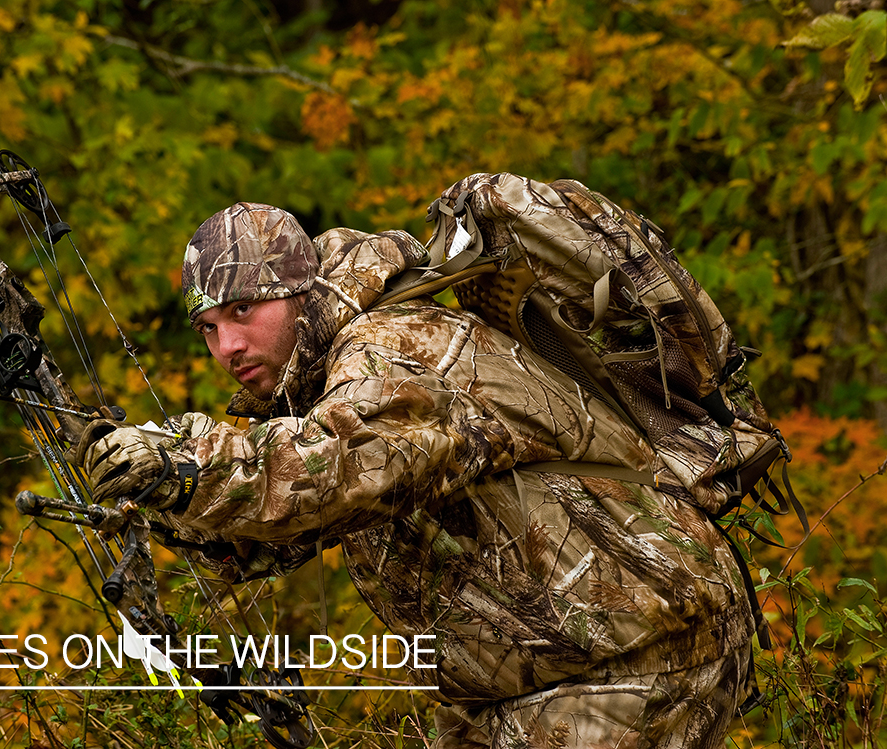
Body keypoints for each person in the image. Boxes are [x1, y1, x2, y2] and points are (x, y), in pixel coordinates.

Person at [76, 201, 756, 748]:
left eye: (243, 311)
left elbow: (339, 467)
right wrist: (161, 494)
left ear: (298, 292)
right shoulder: (318, 384)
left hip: (635, 656)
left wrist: (187, 461)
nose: (227, 345)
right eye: (207, 327)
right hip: (520, 683)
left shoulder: (394, 345)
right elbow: (275, 532)